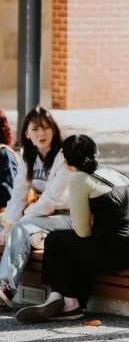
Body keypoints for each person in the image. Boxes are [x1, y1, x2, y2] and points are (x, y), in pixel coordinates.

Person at [16, 135, 129, 323]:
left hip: (123, 250)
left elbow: (82, 232)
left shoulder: (79, 179)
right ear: (96, 153)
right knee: (80, 245)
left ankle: (68, 303)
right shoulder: (115, 172)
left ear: (66, 162)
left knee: (55, 240)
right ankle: (61, 299)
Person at [0, 107, 72, 310]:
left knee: (21, 228)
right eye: (36, 128)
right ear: (27, 133)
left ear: (54, 130)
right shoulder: (28, 156)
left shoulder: (63, 156)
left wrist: (20, 222)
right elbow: (18, 195)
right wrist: (8, 225)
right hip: (42, 218)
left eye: (46, 127)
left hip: (68, 217)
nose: (41, 133)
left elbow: (51, 199)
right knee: (4, 228)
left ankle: (5, 288)